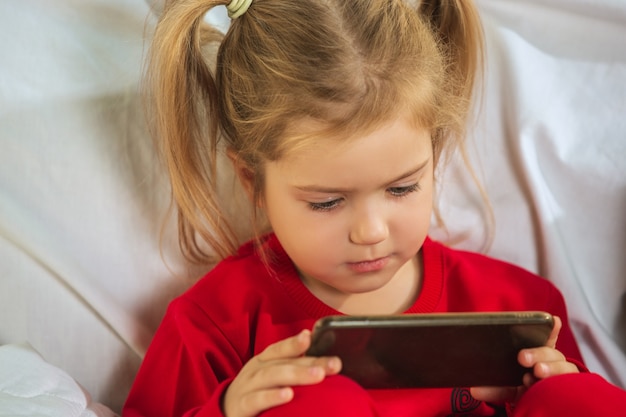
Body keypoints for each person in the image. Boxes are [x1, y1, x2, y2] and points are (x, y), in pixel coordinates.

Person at [123, 0, 626, 416]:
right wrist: (228, 408)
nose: (370, 231)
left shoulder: (515, 305)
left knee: (575, 398)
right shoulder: (214, 324)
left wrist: (552, 391)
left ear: (433, 157)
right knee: (312, 403)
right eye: (327, 202)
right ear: (251, 180)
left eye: (402, 189)